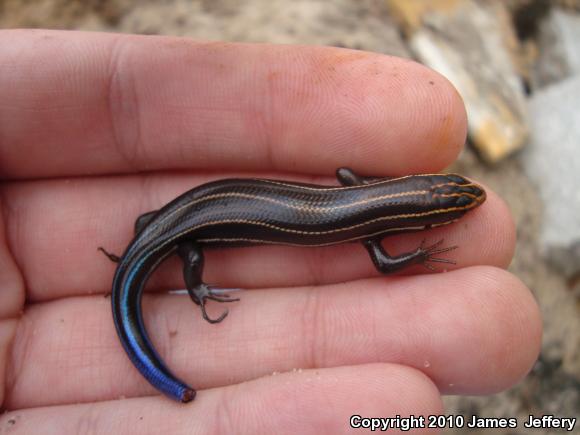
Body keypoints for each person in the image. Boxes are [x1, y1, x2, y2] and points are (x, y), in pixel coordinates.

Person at [0, 30, 541, 433]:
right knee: (171, 247)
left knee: (159, 237)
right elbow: (380, 260)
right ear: (419, 204)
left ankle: (149, 282)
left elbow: (348, 180)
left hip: (175, 223)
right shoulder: (369, 227)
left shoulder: (359, 194)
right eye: (446, 198)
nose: (453, 201)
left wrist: (147, 248)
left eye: (449, 205)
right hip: (184, 233)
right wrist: (416, 257)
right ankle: (170, 309)